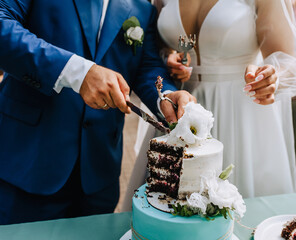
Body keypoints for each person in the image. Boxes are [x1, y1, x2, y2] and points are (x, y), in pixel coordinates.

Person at [0, 0, 195, 225]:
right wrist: (78, 72)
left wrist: (166, 97)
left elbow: (147, 67)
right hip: (28, 163)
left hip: (98, 174)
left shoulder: (143, 7)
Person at [148, 0, 296, 198]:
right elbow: (171, 44)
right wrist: (172, 58)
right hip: (183, 105)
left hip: (241, 112)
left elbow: (288, 61)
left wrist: (271, 78)